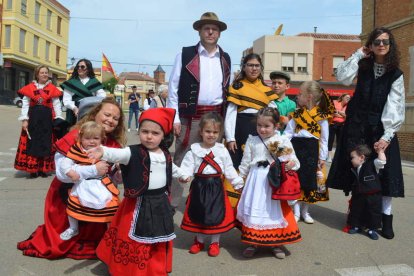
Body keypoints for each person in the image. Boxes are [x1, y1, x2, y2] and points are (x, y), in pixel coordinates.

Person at [17, 97, 126, 260]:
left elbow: (113, 178)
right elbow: (62, 174)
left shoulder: (114, 144)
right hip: (66, 192)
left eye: (115, 118)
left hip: (97, 192)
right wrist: (92, 170)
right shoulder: (75, 135)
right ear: (96, 113)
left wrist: (119, 174)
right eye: (107, 115)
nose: (110, 120)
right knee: (59, 242)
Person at [327, 27, 405, 239]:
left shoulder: (395, 73)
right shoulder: (362, 65)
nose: (381, 45)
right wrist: (359, 53)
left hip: (380, 128)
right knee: (359, 173)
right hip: (357, 127)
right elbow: (342, 77)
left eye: (385, 42)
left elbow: (395, 106)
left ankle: (386, 218)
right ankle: (358, 216)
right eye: (377, 41)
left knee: (385, 176)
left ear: (391, 46)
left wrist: (386, 136)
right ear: (370, 44)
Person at [87, 108, 186, 276]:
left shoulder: (165, 154)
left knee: (157, 236)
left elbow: (173, 168)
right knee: (132, 237)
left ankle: (154, 268)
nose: (149, 136)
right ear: (139, 131)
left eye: (155, 133)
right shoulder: (131, 152)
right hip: (136, 204)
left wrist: (183, 175)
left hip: (160, 202)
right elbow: (117, 153)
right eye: (145, 131)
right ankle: (131, 270)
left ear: (163, 135)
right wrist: (103, 151)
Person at [167, 12, 231, 211]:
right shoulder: (185, 54)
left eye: (214, 28)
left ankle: (203, 201)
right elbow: (173, 88)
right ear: (200, 31)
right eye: (206, 28)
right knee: (181, 157)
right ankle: (172, 202)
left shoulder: (225, 57)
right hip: (191, 115)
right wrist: (175, 117)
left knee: (211, 159)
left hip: (216, 115)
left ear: (219, 33)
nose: (211, 32)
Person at [237, 107, 301, 259]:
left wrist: (290, 163)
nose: (262, 129)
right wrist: (240, 180)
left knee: (273, 212)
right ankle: (253, 242)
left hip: (273, 181)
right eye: (259, 125)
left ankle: (275, 243)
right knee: (255, 210)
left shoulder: (280, 140)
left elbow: (295, 162)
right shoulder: (252, 140)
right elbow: (245, 163)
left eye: (267, 126)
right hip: (255, 181)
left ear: (276, 126)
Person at [179, 112, 243, 257]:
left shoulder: (222, 150)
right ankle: (199, 240)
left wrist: (237, 183)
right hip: (199, 187)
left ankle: (215, 242)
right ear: (201, 131)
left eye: (215, 132)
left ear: (220, 133)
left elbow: (229, 168)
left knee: (216, 215)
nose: (211, 135)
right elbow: (186, 166)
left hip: (216, 188)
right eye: (208, 131)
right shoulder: (194, 150)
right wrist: (184, 176)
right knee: (200, 214)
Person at [58, 121, 121, 241]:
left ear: (102, 139)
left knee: (111, 208)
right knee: (72, 206)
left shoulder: (104, 150)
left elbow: (112, 164)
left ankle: (111, 232)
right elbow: (64, 164)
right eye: (87, 138)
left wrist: (117, 165)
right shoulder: (77, 150)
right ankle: (73, 228)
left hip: (101, 184)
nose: (91, 141)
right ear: (81, 138)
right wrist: (70, 172)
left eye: (96, 138)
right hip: (83, 183)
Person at [284, 81, 334, 224]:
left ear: (309, 97)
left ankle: (305, 212)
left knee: (310, 182)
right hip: (296, 149)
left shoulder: (321, 117)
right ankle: (296, 211)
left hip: (313, 151)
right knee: (297, 180)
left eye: (300, 94)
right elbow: (288, 134)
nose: (297, 96)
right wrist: (282, 148)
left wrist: (323, 157)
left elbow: (324, 139)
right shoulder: (296, 114)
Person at [226, 53, 278, 169]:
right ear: (244, 67)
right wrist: (230, 138)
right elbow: (230, 114)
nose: (254, 69)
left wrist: (274, 134)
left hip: (261, 128)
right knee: (239, 164)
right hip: (241, 129)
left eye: (257, 65)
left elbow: (273, 112)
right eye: (250, 65)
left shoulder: (266, 90)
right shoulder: (236, 87)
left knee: (260, 162)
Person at [14, 65, 63, 178]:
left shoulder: (52, 88)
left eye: (46, 72)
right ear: (37, 74)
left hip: (47, 120)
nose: (45, 74)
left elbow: (56, 105)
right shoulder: (30, 88)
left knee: (46, 143)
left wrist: (58, 119)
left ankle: (43, 169)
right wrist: (25, 120)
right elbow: (25, 105)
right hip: (33, 119)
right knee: (33, 143)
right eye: (42, 73)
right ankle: (33, 169)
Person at [348, 144, 386, 240]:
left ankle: (372, 229)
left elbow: (381, 162)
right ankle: (356, 225)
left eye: (353, 157)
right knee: (356, 210)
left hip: (373, 196)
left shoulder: (372, 165)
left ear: (361, 157)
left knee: (373, 212)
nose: (351, 160)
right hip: (359, 195)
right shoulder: (355, 168)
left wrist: (380, 152)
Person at [61, 58, 106, 126]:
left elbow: (102, 97)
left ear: (88, 69)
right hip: (73, 113)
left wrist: (93, 107)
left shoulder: (94, 82)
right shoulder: (70, 83)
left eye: (82, 67)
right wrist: (74, 108)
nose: (79, 68)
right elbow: (66, 100)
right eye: (78, 67)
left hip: (90, 112)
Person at [327, 93, 351, 162]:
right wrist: (342, 114)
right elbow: (332, 112)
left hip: (342, 125)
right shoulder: (335, 102)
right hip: (332, 123)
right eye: (347, 97)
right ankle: (329, 156)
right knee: (330, 140)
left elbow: (347, 116)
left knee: (339, 141)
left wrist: (339, 113)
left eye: (349, 98)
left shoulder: (348, 106)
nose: (348, 99)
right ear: (342, 97)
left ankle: (336, 157)